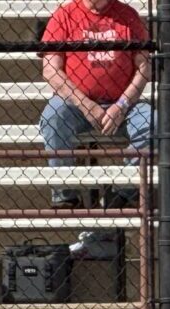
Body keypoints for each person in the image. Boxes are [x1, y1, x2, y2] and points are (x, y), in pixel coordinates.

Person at [39, 0, 153, 209]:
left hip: (122, 104)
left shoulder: (127, 16)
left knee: (153, 122)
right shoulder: (64, 15)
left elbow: (144, 67)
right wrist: (85, 105)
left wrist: (122, 105)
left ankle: (121, 191)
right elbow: (50, 70)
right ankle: (65, 194)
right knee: (53, 115)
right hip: (75, 105)